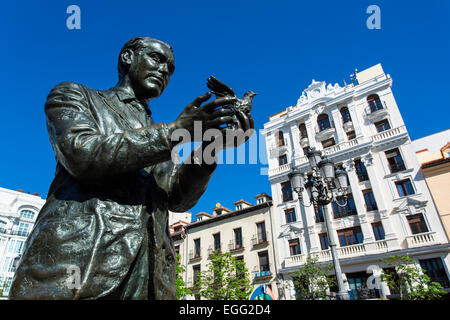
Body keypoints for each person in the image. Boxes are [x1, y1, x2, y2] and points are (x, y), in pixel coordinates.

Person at [9, 37, 254, 299]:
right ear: (127, 57)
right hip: (80, 267)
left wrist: (211, 145)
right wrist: (176, 131)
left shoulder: (160, 135)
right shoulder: (75, 95)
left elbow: (177, 199)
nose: (164, 71)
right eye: (157, 59)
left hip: (149, 277)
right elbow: (82, 153)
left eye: (170, 69)